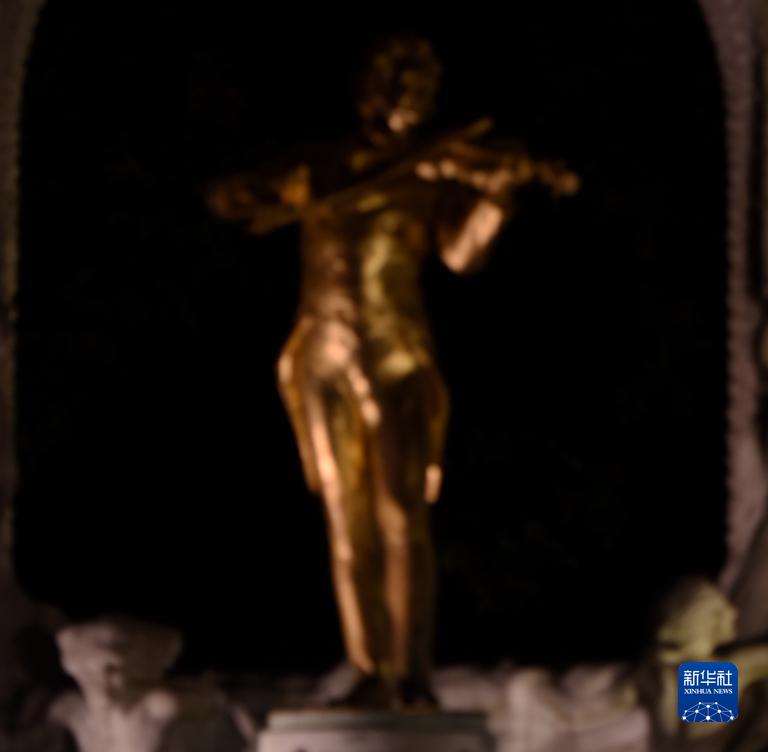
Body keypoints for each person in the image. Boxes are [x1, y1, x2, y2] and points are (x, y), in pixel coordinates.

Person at [207, 35, 578, 709]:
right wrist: (293, 189)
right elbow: (230, 199)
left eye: (427, 96)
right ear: (376, 95)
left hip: (395, 350)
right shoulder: (324, 165)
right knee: (344, 518)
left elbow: (461, 258)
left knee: (401, 514)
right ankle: (366, 666)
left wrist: (496, 196)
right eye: (408, 92)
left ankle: (411, 671)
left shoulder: (429, 176)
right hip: (320, 351)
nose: (419, 107)